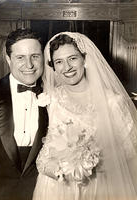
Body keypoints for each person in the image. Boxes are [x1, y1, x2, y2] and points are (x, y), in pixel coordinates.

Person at [33, 32, 137, 200]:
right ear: (53, 66)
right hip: (54, 189)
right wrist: (59, 170)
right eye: (59, 62)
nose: (67, 67)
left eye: (73, 58)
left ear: (85, 60)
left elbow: (131, 152)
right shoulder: (49, 100)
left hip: (100, 188)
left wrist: (91, 163)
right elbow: (41, 156)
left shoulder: (112, 102)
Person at [0, 28, 48, 200]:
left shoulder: (55, 96)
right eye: (20, 57)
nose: (29, 65)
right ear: (8, 59)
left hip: (38, 192)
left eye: (35, 56)